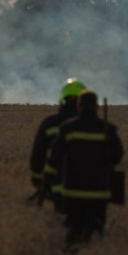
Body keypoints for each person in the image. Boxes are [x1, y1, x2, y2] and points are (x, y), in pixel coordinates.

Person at [47, 89, 124, 253]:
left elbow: (55, 158)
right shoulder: (108, 129)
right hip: (100, 193)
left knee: (74, 230)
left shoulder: (68, 128)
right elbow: (117, 156)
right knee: (96, 230)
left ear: (79, 106)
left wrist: (47, 181)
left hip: (73, 192)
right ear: (97, 108)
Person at [29, 78, 87, 213]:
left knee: (62, 224)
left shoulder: (50, 124)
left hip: (59, 188)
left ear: (63, 100)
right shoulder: (97, 125)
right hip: (94, 190)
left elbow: (38, 155)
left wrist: (37, 180)